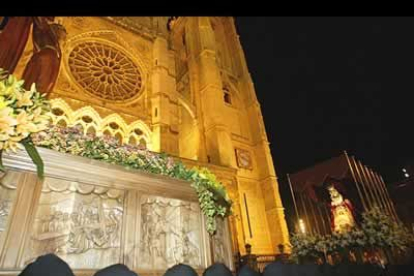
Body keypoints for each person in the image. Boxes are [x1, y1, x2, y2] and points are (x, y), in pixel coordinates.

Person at [21, 17, 66, 93]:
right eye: (63, 40)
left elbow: (27, 81)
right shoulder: (54, 56)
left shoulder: (45, 55)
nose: (64, 43)